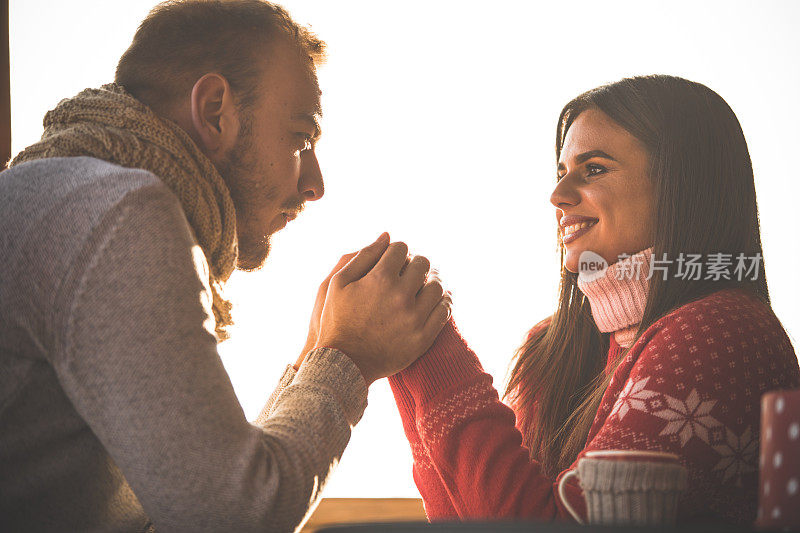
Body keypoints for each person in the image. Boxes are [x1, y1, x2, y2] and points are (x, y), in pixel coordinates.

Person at [0, 1, 451, 531]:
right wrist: (347, 359)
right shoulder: (118, 213)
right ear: (215, 111)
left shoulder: (68, 194)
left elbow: (194, 497)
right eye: (300, 138)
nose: (315, 183)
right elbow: (231, 517)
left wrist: (314, 359)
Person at [388, 74, 800, 525]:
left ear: (684, 183)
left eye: (595, 169)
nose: (558, 196)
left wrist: (432, 344)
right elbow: (464, 518)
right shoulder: (553, 347)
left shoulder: (720, 332)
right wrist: (407, 344)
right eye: (562, 172)